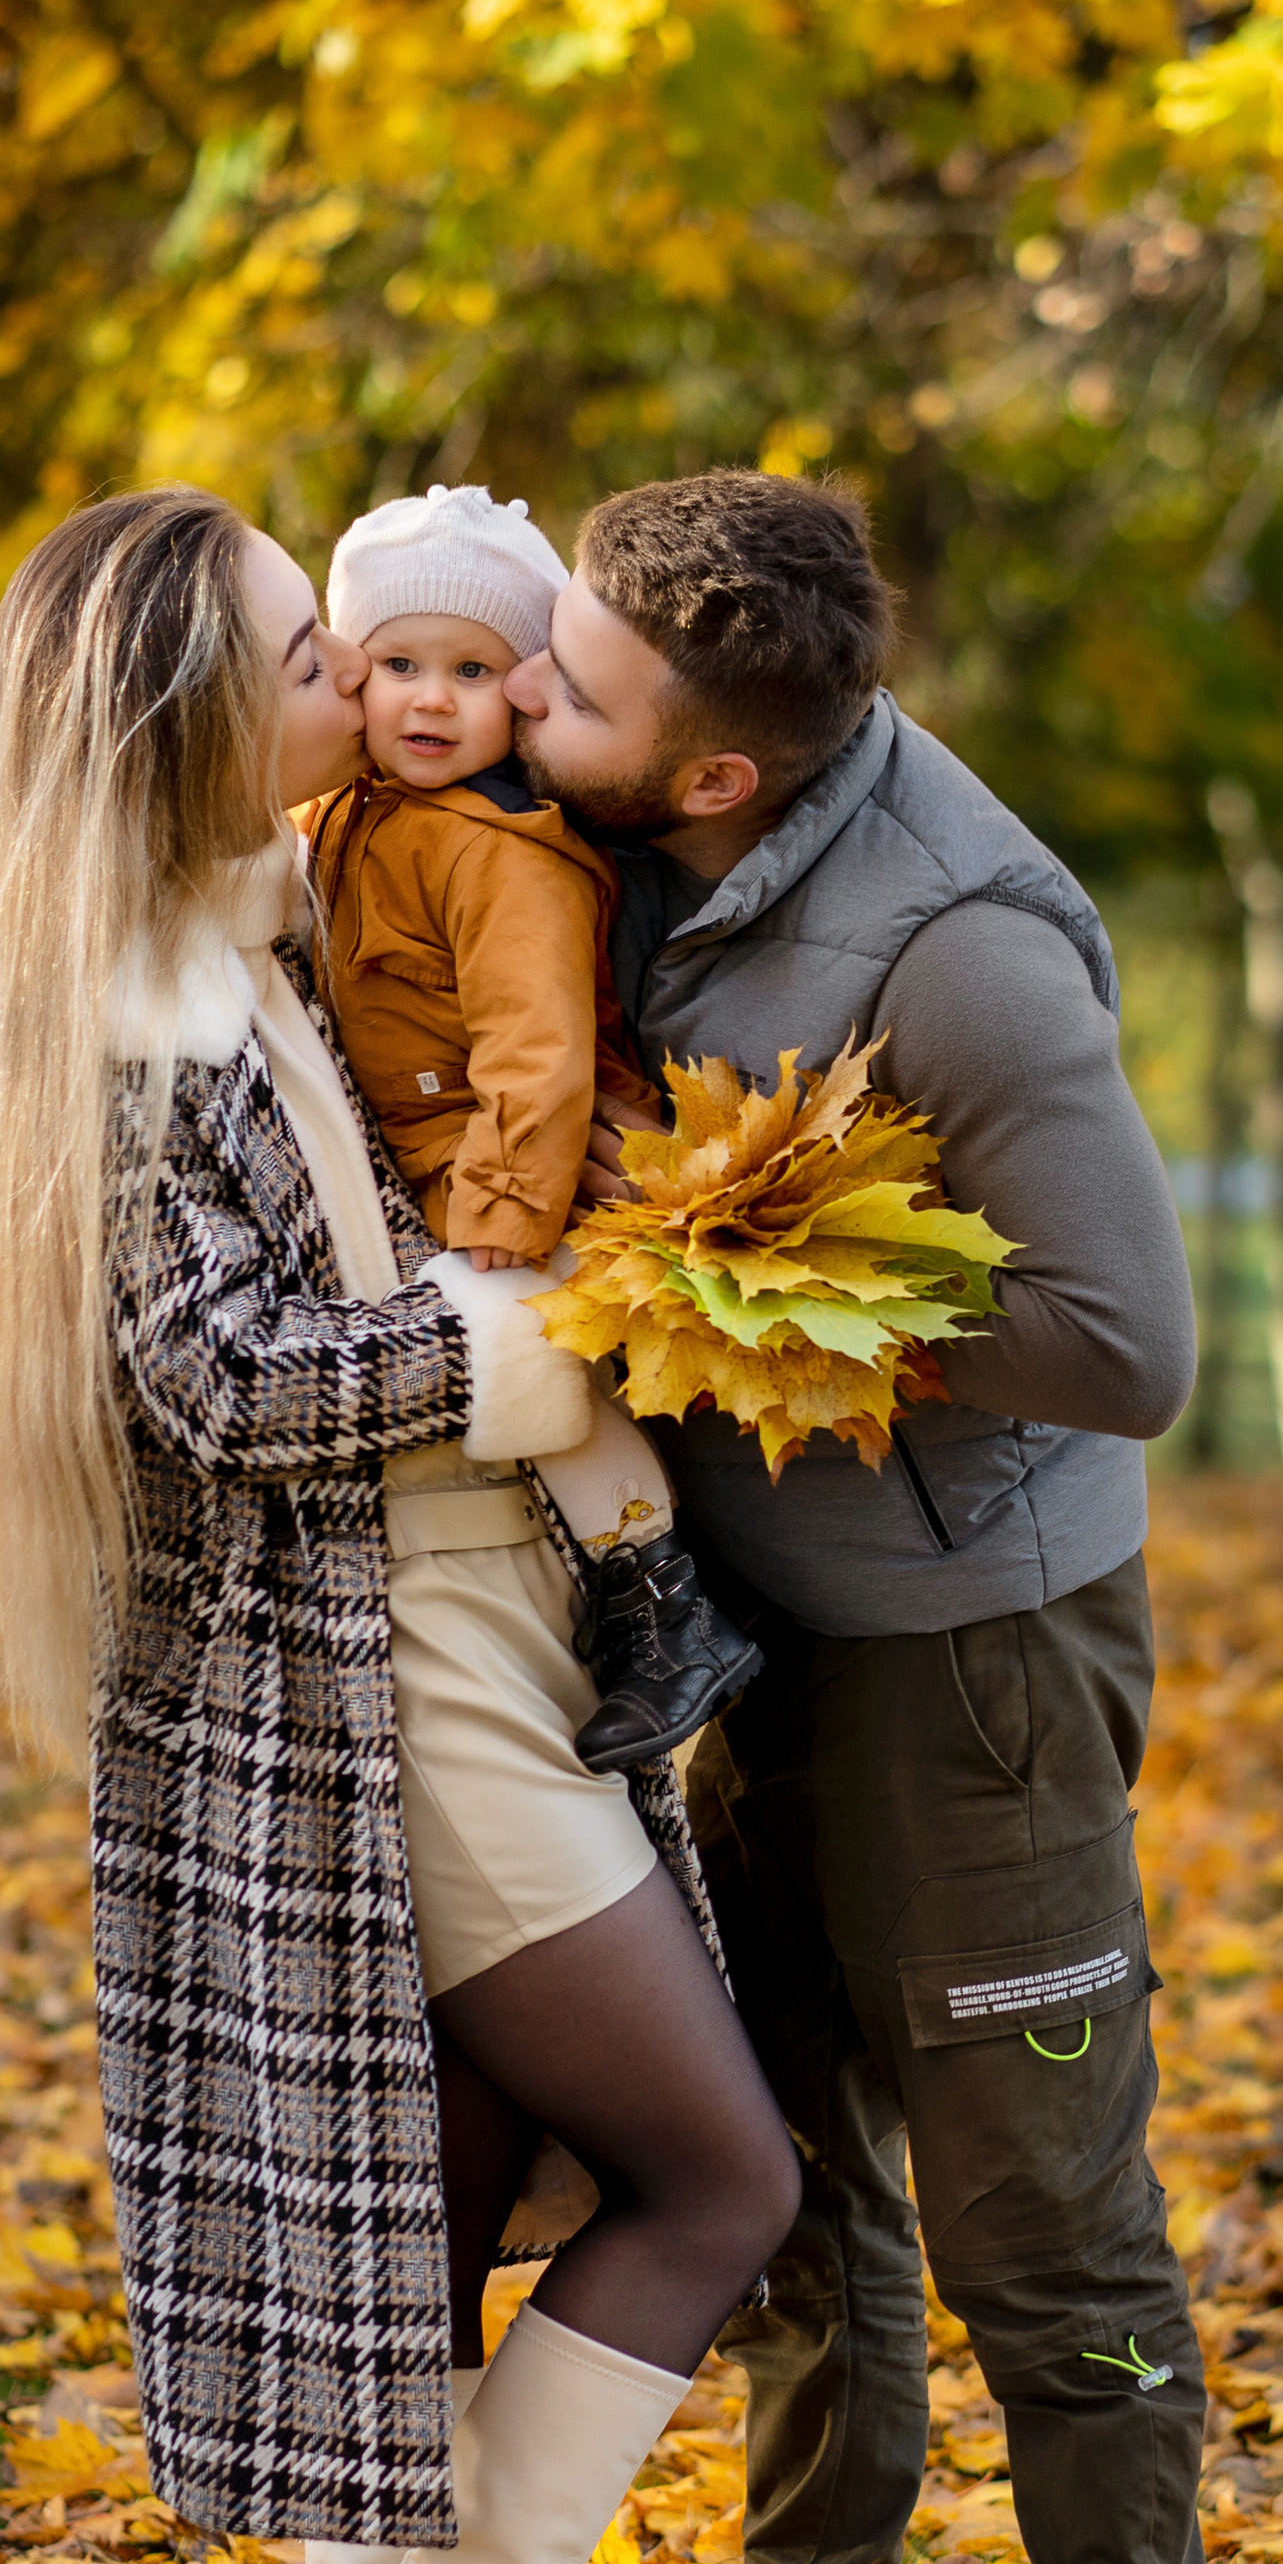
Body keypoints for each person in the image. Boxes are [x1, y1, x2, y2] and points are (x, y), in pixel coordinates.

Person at [0, 482, 799, 2564]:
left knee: (432, 2231)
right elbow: (211, 1375)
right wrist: (548, 1346)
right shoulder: (116, 1019)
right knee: (718, 2177)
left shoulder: (256, 926)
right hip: (369, 1692)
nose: (357, 689)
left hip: (459, 1643)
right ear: (189, 719)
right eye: (310, 656)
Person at [509, 468, 1206, 2564]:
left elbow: (1128, 1346)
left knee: (1045, 2222)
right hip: (761, 1641)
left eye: (567, 686)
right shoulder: (634, 831)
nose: (521, 697)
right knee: (791, 2193)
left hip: (973, 1661)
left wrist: (752, 1274)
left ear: (714, 775)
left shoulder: (965, 951)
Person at [302, 481, 763, 1772]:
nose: (431, 699)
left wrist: (509, 1214)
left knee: (538, 1370)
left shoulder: (503, 848)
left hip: (518, 1174)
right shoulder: (348, 812)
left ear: (527, 687)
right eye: (399, 664)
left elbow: (540, 1046)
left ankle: (660, 1594)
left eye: (473, 669)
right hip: (430, 1167)